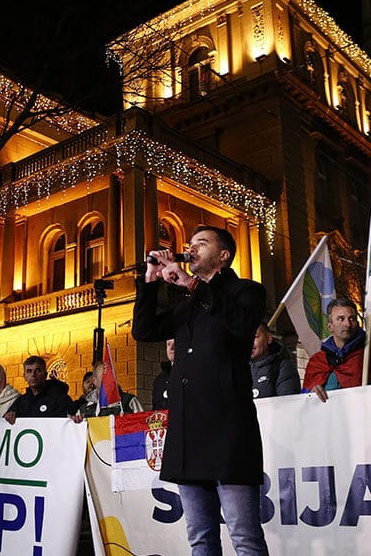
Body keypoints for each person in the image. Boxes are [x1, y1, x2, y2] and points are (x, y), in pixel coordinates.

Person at [132, 225, 270, 555]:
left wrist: (190, 283)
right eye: (189, 244)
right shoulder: (188, 303)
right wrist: (150, 281)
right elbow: (144, 329)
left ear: (223, 255)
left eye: (201, 243)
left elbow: (237, 324)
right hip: (188, 431)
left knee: (244, 536)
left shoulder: (247, 291)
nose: (191, 248)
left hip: (228, 428)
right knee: (200, 536)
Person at [301, 298, 371, 402]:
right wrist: (312, 394)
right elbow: (305, 401)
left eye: (352, 319)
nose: (347, 324)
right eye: (341, 319)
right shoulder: (317, 361)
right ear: (330, 326)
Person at [4, 355, 78, 424]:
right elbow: (5, 423)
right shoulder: (20, 403)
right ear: (25, 376)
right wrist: (9, 417)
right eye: (29, 371)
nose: (33, 375)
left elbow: (70, 422)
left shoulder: (60, 399)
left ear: (45, 375)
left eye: (38, 371)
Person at [249, 322, 300, 398]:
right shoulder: (237, 370)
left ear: (269, 338)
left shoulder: (283, 367)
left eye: (255, 337)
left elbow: (288, 404)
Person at [78, 361, 145, 417]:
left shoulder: (129, 402)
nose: (109, 379)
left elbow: (142, 426)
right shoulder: (84, 410)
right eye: (104, 376)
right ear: (95, 381)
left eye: (111, 375)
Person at [152, 338, 175, 410]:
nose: (171, 348)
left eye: (176, 344)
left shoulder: (195, 374)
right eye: (168, 344)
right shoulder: (159, 380)